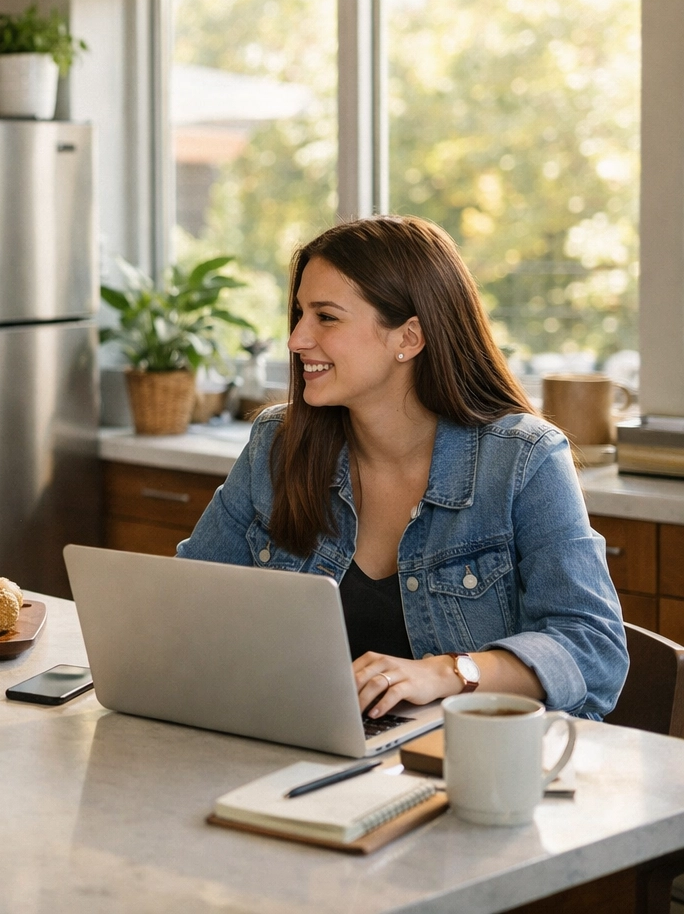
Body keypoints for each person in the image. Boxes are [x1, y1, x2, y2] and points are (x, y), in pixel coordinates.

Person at [177, 215, 627, 720]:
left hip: (463, 766)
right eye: (299, 314)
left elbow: (593, 650)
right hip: (298, 742)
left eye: (326, 317)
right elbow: (188, 605)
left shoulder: (522, 460)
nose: (297, 339)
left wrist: (449, 672)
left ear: (408, 338)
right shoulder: (277, 446)